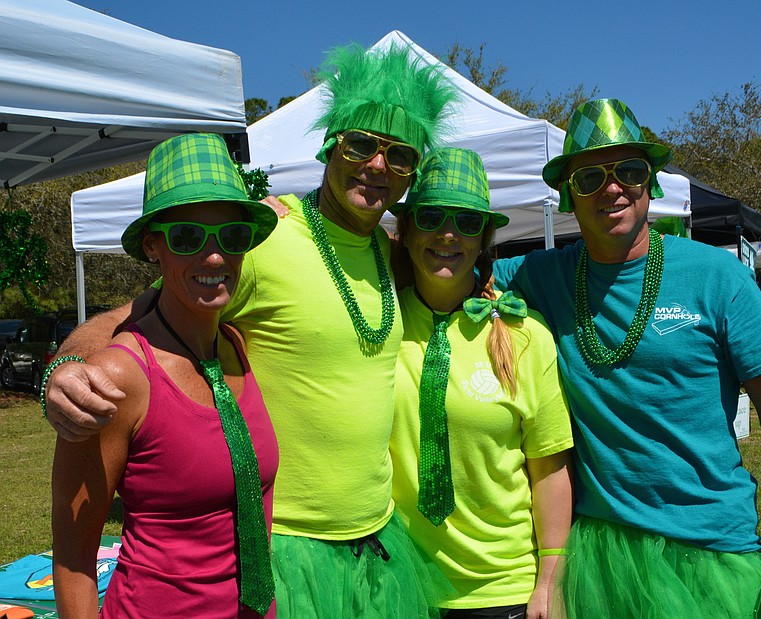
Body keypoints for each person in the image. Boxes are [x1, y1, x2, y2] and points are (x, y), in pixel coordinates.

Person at [44, 43, 459, 618]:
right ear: (330, 145)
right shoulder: (262, 239)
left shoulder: (393, 254)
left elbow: (454, 268)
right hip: (286, 556)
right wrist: (64, 370)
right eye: (362, 145)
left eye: (401, 155)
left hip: (377, 544)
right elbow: (132, 317)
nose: (379, 166)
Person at [491, 99, 761, 617]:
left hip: (709, 549)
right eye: (589, 178)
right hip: (599, 558)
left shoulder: (716, 276)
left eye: (628, 170)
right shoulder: (540, 275)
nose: (611, 187)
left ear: (650, 181)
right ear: (566, 195)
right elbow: (445, 263)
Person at [51, 133, 280, 618]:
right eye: (187, 237)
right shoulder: (120, 375)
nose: (214, 256)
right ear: (154, 246)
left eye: (232, 236)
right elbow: (73, 559)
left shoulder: (237, 347)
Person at [389, 148, 573, 618]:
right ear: (406, 231)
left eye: (468, 223)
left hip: (502, 589)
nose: (448, 234)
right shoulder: (377, 323)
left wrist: (549, 581)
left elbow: (549, 469)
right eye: (431, 217)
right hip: (398, 584)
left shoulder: (525, 335)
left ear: (485, 239)